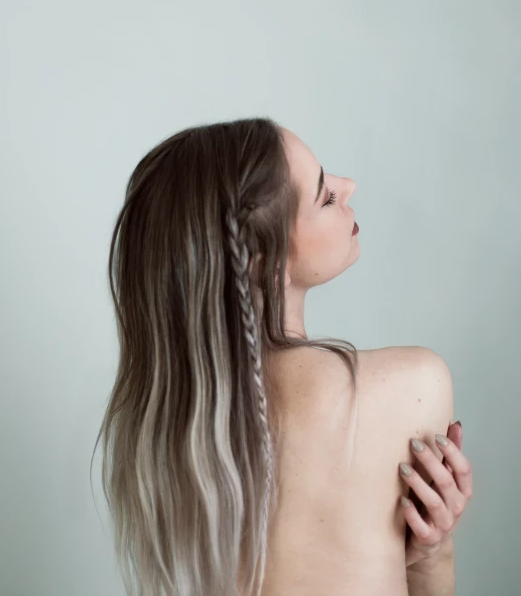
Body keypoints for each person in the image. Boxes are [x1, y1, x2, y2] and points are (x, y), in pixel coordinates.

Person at [91, 117, 472, 596]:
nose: (348, 186)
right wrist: (433, 556)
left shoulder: (162, 438)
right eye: (325, 196)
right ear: (260, 257)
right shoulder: (413, 386)